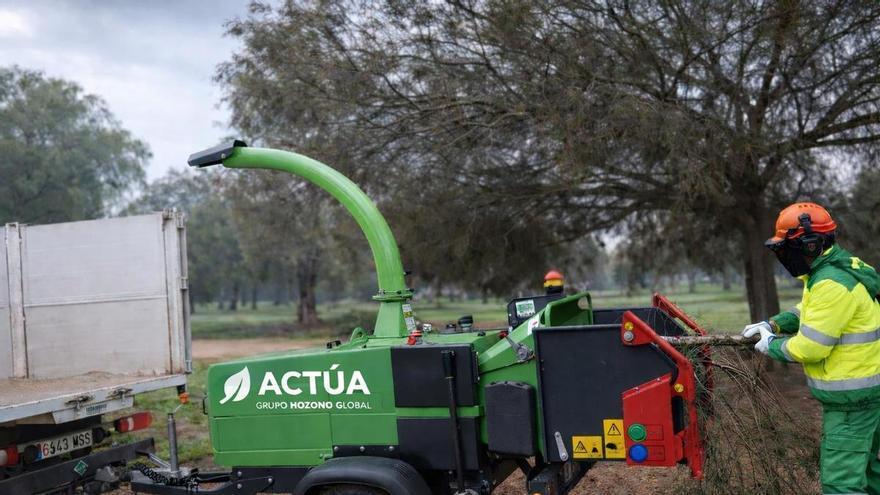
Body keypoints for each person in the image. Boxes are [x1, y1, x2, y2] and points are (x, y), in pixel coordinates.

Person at [742, 202, 880, 495]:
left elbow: (811, 347)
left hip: (852, 405)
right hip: (866, 396)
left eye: (787, 248)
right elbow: (810, 310)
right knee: (869, 474)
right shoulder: (835, 270)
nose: (784, 255)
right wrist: (774, 324)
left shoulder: (831, 282)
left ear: (810, 244)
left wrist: (771, 345)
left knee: (840, 485)